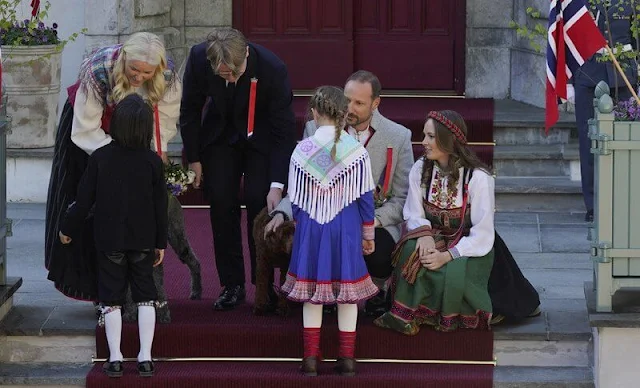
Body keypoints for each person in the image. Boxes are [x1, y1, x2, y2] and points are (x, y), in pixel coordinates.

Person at [45, 32, 182, 301]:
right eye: (134, 69)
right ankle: (96, 291)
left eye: (146, 72)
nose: (139, 77)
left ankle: (132, 291)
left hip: (135, 137)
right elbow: (85, 128)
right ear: (124, 58)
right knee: (92, 203)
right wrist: (116, 161)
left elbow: (163, 122)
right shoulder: (97, 68)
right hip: (90, 137)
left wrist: (149, 158)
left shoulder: (168, 74)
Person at [267, 70, 414, 317]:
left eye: (359, 103)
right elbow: (303, 185)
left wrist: (370, 222)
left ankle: (377, 293)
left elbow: (402, 198)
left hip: (375, 220)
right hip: (327, 220)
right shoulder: (315, 128)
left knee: (377, 253)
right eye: (347, 100)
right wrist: (282, 212)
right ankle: (325, 295)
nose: (349, 108)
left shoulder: (398, 136)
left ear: (375, 103)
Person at [373, 110, 533, 334]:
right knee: (411, 251)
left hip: (467, 240)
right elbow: (413, 211)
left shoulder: (478, 178)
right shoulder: (421, 169)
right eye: (424, 135)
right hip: (434, 234)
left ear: (448, 140)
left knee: (456, 269)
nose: (424, 142)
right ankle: (407, 315)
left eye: (430, 137)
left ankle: (448, 313)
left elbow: (483, 233)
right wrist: (424, 234)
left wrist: (447, 255)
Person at [180, 27, 296, 311]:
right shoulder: (198, 59)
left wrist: (277, 185)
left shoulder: (273, 69)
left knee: (260, 201)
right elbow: (190, 110)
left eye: (234, 73)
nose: (230, 79)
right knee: (221, 201)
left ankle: (264, 283)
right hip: (220, 137)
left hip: (262, 140)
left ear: (245, 53)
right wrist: (194, 158)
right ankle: (232, 284)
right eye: (223, 75)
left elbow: (284, 132)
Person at [58, 94, 168, 378]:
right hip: (143, 239)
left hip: (108, 239)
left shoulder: (101, 158)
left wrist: (68, 228)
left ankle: (115, 357)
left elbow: (83, 201)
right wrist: (160, 243)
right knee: (146, 296)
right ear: (145, 128)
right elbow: (160, 207)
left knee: (111, 296)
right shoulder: (153, 162)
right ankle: (145, 357)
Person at [280, 86, 379, 377]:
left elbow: (295, 198)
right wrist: (368, 234)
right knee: (348, 292)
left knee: (312, 292)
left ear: (314, 112)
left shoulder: (302, 149)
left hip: (311, 226)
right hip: (345, 227)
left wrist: (300, 224)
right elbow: (365, 198)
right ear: (343, 114)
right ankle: (347, 358)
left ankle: (310, 357)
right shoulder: (355, 150)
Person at [574, 1, 636, 222]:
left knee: (626, 140)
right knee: (589, 141)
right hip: (589, 75)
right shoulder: (581, 4)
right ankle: (593, 204)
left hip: (624, 77)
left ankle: (624, 199)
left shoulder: (631, 4)